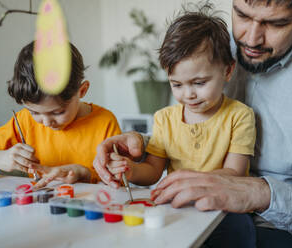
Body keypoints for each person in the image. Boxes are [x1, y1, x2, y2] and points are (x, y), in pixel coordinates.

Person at [94, 0, 292, 247]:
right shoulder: (213, 50)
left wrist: (260, 193)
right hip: (194, 214)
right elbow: (184, 138)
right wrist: (137, 149)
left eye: (276, 23)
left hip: (285, 230)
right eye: (242, 14)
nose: (252, 38)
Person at [105, 6, 256, 189]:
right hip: (179, 207)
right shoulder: (164, 119)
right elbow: (153, 170)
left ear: (228, 71)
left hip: (225, 208)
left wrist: (191, 181)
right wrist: (131, 171)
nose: (188, 94)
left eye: (199, 83)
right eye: (177, 84)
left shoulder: (240, 116)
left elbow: (235, 173)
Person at [0, 41, 121, 188]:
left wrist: (85, 174)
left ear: (82, 91)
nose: (45, 122)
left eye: (58, 112)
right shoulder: (23, 120)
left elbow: (118, 180)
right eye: (34, 112)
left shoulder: (105, 122)